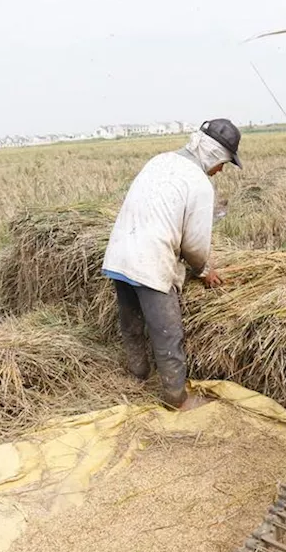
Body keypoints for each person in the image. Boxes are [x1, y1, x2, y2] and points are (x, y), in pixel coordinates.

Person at [101, 119, 242, 410]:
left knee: (131, 323)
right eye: (223, 164)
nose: (220, 171)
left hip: (120, 254)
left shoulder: (160, 161)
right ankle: (176, 399)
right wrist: (203, 271)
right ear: (214, 155)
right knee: (168, 334)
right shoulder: (199, 183)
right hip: (150, 261)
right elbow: (194, 243)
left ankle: (138, 374)